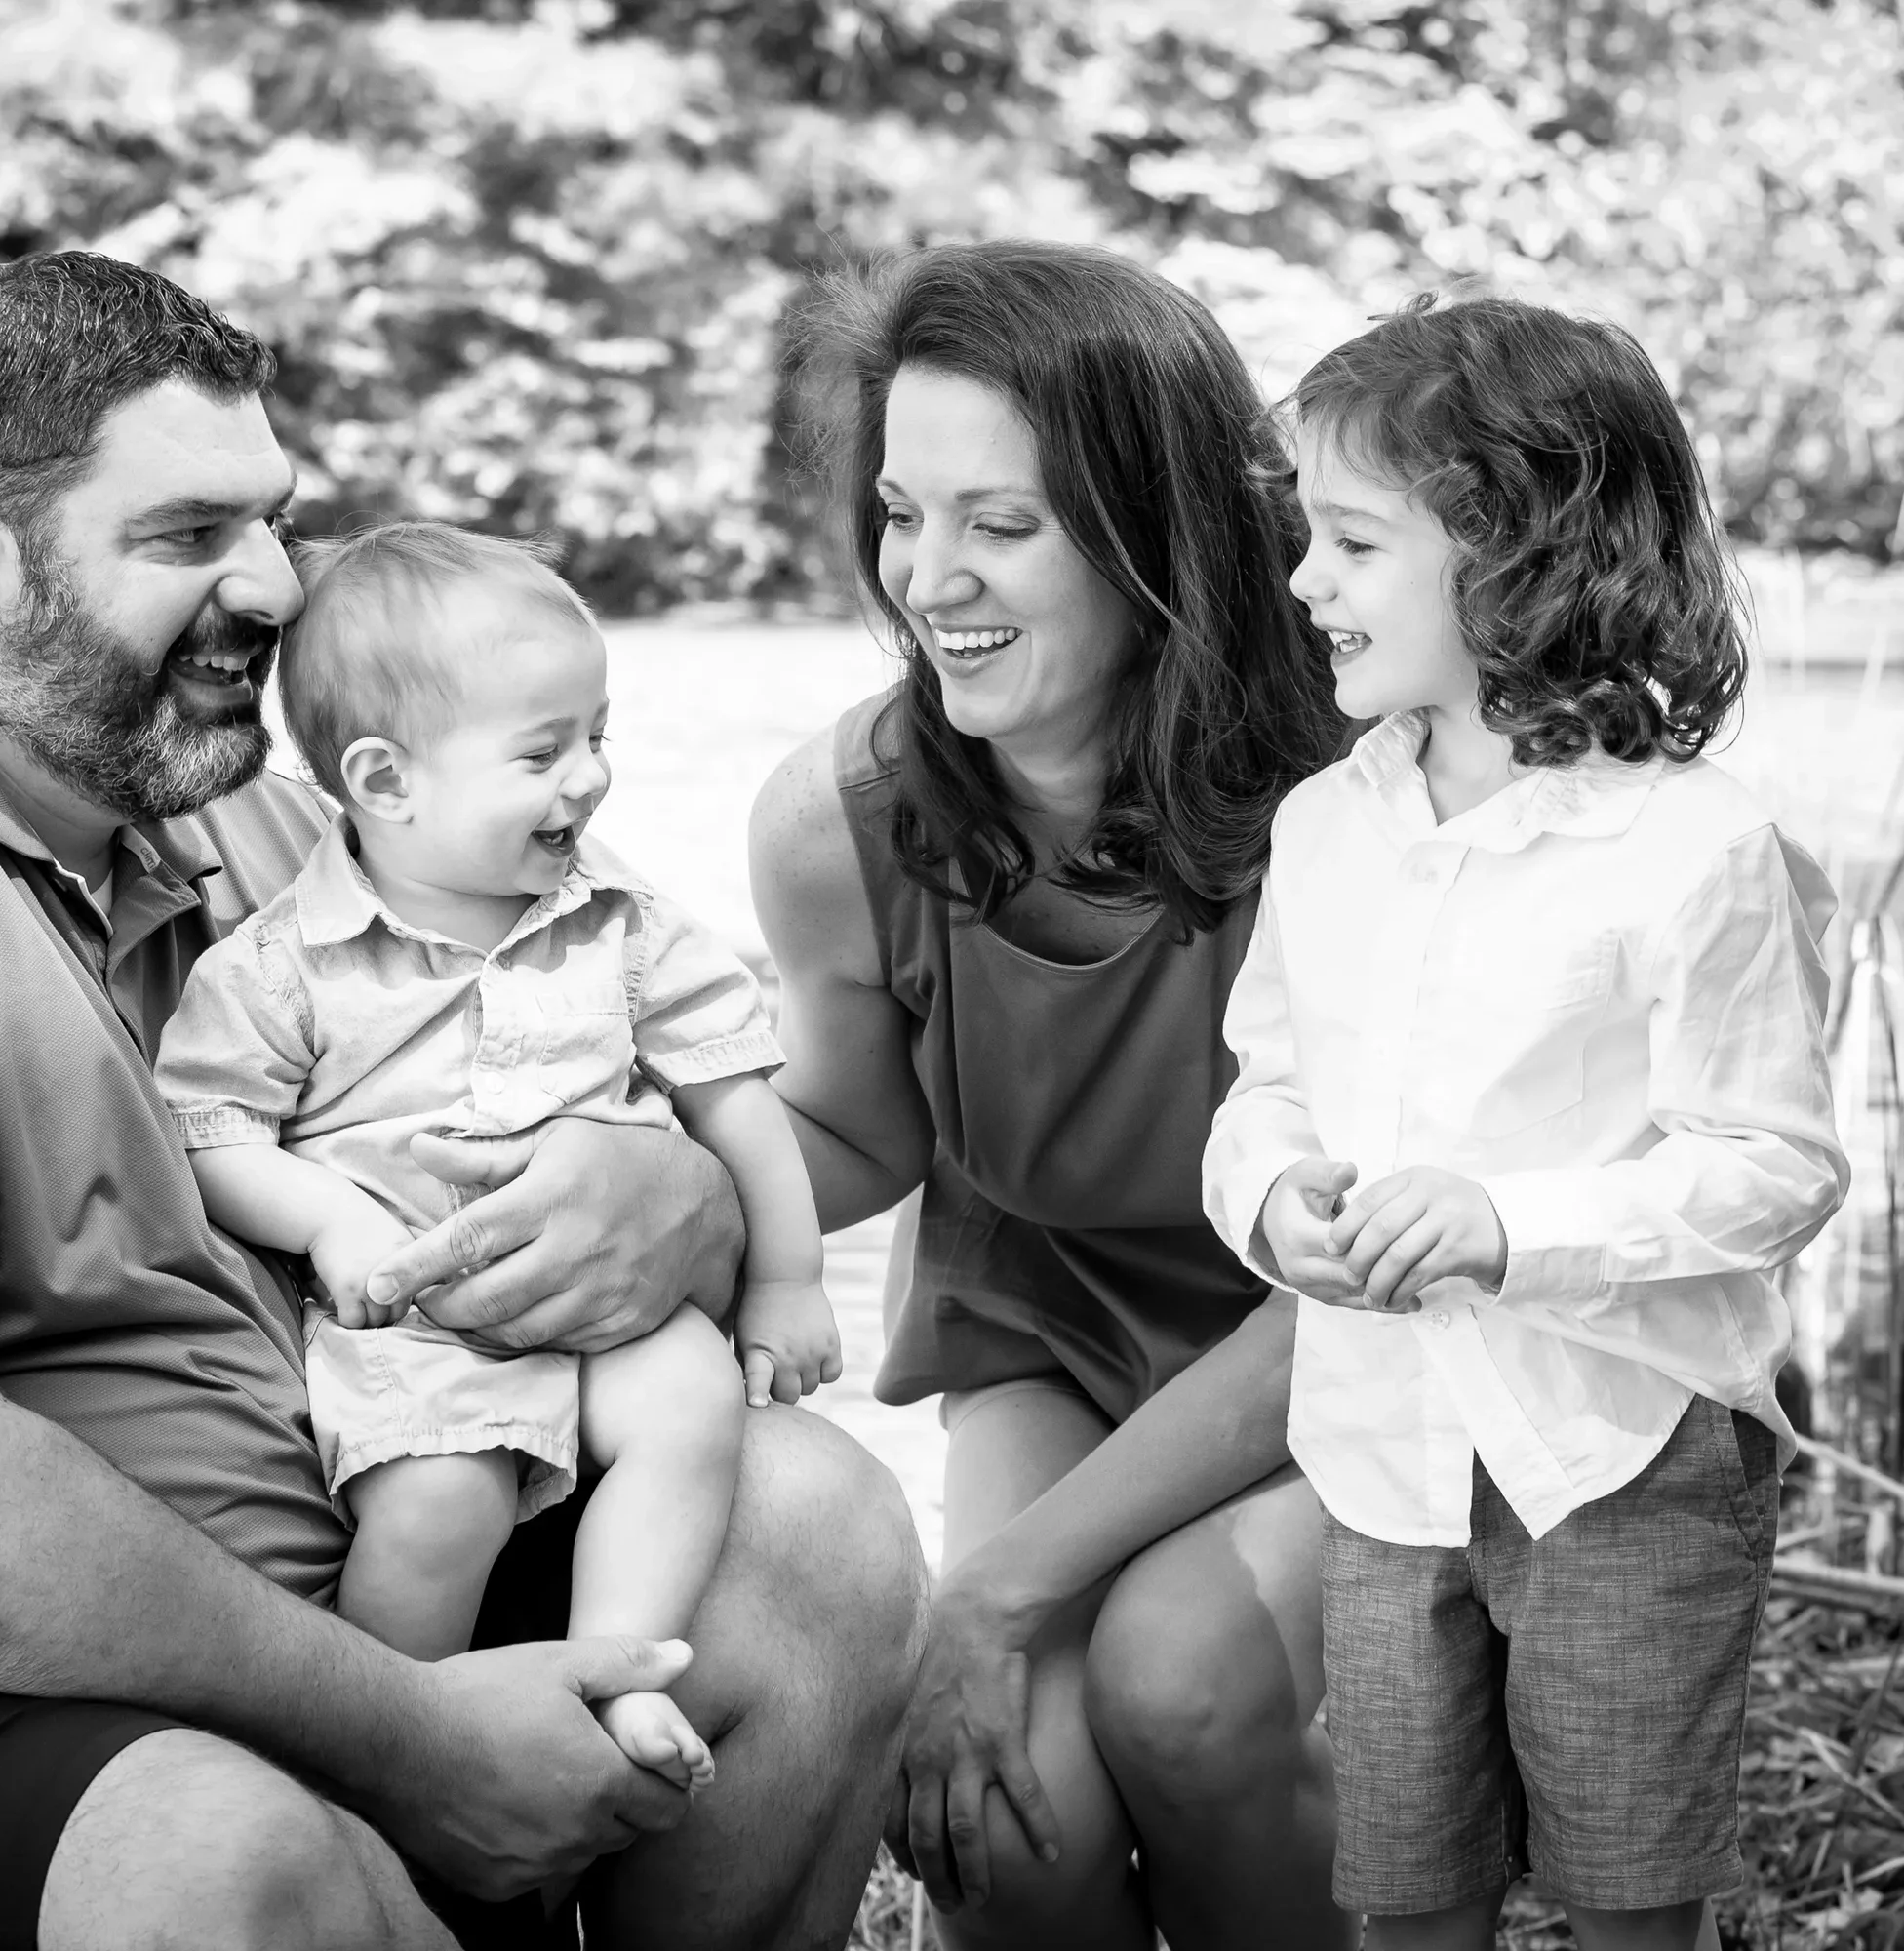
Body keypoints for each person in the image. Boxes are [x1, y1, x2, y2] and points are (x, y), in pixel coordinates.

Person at [0, 251, 924, 1951]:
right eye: (187, 539)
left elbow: (647, 1063)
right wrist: (415, 1741)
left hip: (324, 1583)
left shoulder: (266, 832)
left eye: (274, 522)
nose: (277, 589)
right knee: (215, 1853)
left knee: (811, 1528)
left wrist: (665, 1199)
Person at [1202, 295, 1846, 1950]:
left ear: (1517, 551)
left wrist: (1512, 1227)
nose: (1303, 586)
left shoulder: (1689, 849)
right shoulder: (1323, 830)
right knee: (1406, 1900)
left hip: (1620, 1456)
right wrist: (1273, 1198)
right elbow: (1263, 1087)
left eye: (1350, 542)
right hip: (1386, 1458)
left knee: (1633, 1901)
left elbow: (1771, 1163)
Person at [751, 238, 1353, 1947]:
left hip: (1328, 1347)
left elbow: (1346, 1296)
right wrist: (670, 1180)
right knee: (1008, 1804)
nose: (925, 577)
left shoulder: (1352, 811)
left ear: (1158, 532)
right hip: (1050, 1323)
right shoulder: (843, 816)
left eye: (998, 523)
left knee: (1184, 1693)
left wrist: (997, 1589)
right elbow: (859, 1129)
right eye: (899, 511)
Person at [153, 520, 842, 1791]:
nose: (587, 782)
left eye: (596, 738)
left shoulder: (617, 924)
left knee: (691, 1415)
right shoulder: (283, 961)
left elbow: (740, 1104)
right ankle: (386, 1758)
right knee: (436, 1508)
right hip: (422, 1324)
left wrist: (790, 1280)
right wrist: (326, 1220)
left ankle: (621, 1672)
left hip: (612, 1309)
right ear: (385, 782)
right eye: (542, 754)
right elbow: (209, 1133)